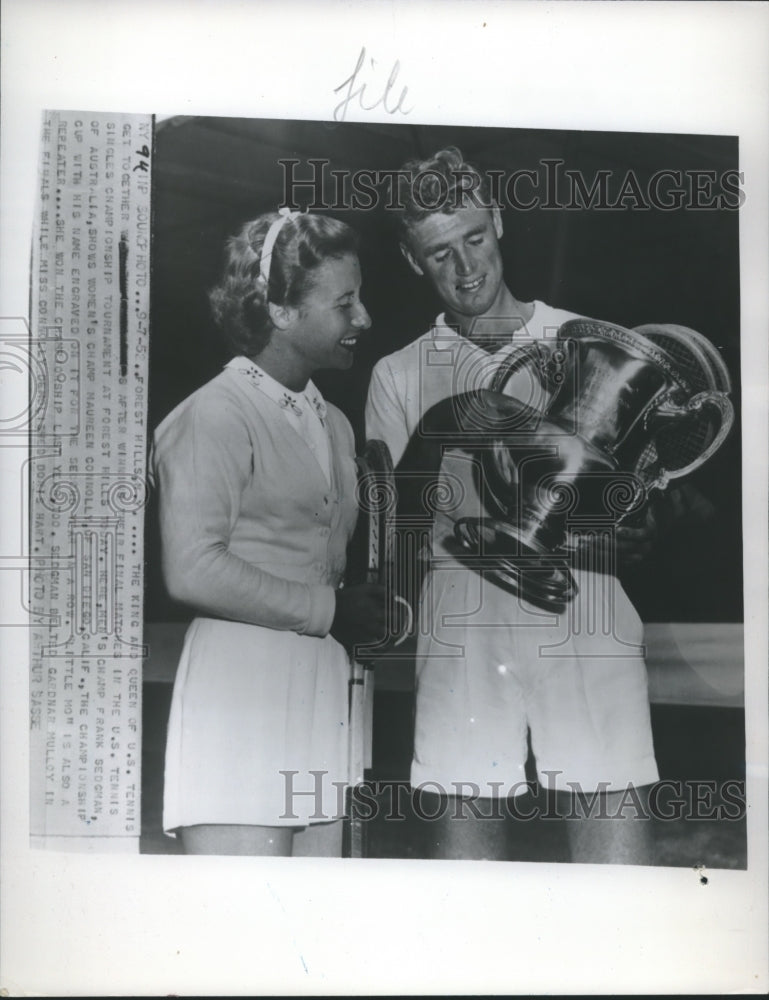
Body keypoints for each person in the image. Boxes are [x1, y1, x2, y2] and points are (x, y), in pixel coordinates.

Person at [365, 147, 661, 863]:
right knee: (463, 882)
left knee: (618, 878)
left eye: (473, 238)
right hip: (461, 623)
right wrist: (443, 430)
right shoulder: (396, 373)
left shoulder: (588, 342)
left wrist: (632, 526)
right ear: (412, 260)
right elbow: (389, 549)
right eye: (439, 254)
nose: (465, 268)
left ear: (497, 220)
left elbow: (644, 517)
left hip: (584, 615)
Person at [152, 208, 385, 857]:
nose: (362, 318)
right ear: (281, 311)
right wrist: (330, 609)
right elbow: (192, 568)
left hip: (320, 688)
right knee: (242, 933)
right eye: (344, 303)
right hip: (240, 692)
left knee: (314, 936)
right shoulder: (214, 415)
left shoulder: (333, 423)